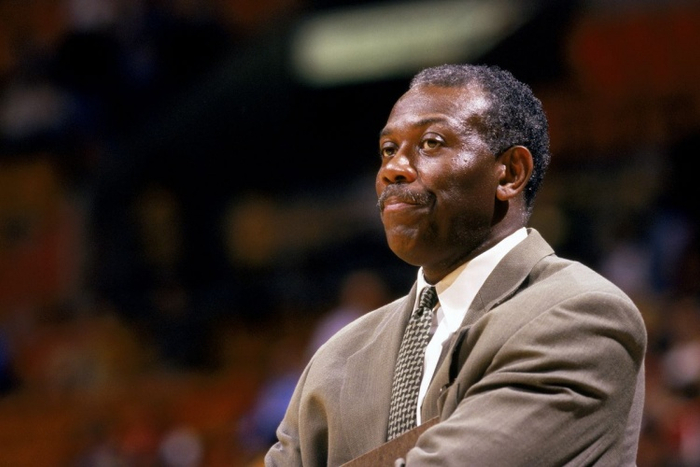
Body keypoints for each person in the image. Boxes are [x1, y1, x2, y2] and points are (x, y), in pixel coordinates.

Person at [265, 63, 647, 466]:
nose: (393, 169)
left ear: (510, 172)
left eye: (431, 143)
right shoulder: (337, 358)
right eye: (389, 149)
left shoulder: (581, 315)